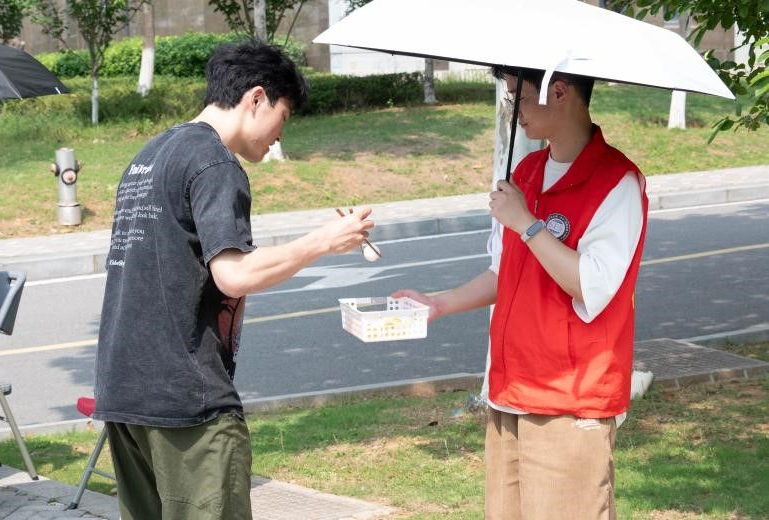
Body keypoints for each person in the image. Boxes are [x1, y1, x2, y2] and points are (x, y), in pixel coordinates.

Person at [92, 40, 373, 520]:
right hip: (186, 400)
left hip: (124, 393)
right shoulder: (215, 162)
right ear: (256, 98)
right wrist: (323, 241)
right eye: (283, 117)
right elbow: (234, 274)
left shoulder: (150, 154)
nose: (279, 137)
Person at [395, 66, 648, 519]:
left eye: (519, 96)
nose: (514, 110)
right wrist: (439, 303)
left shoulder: (616, 183)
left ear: (560, 92)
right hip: (510, 390)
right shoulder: (526, 174)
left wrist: (527, 224)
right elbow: (504, 272)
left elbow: (589, 285)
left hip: (569, 401)